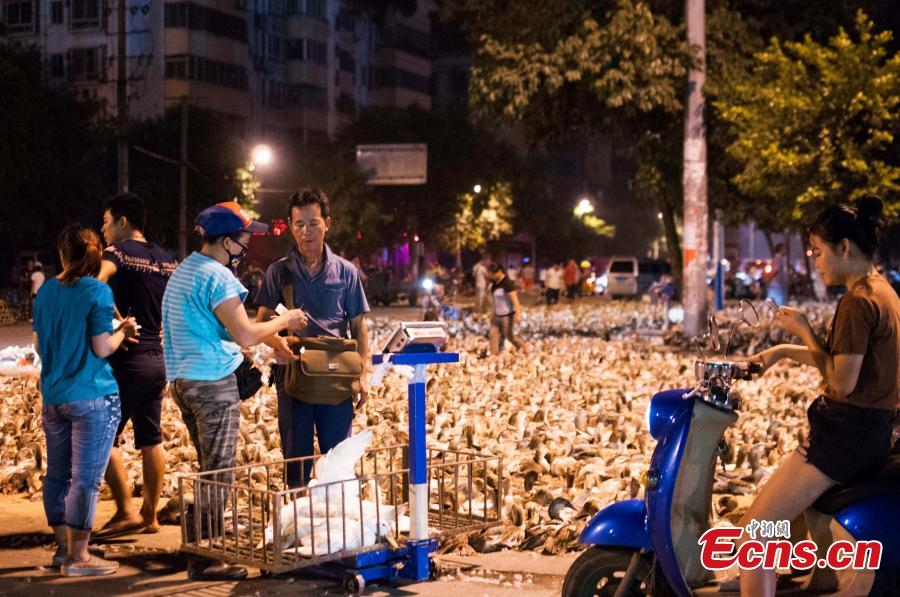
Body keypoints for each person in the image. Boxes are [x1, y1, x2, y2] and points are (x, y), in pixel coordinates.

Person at [737, 196, 898, 597]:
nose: (816, 261)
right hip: (870, 432)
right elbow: (852, 364)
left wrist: (805, 331)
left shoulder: (857, 302)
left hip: (843, 437)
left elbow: (842, 383)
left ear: (844, 247)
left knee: (753, 540)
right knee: (782, 523)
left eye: (819, 251)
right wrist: (778, 353)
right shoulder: (884, 292)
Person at [162, 201, 306, 580]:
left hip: (183, 382)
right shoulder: (219, 277)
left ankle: (200, 544)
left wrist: (275, 343)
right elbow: (243, 333)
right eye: (244, 239)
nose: (247, 246)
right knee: (219, 470)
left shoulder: (186, 271)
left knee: (208, 466)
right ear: (226, 242)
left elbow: (226, 327)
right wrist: (286, 319)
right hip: (212, 384)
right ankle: (206, 560)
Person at [33, 224, 138, 577]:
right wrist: (123, 330)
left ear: (62, 254)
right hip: (93, 395)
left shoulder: (45, 292)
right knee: (85, 479)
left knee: (57, 476)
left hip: (54, 396)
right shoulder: (97, 291)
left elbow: (37, 345)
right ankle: (80, 557)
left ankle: (64, 549)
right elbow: (102, 347)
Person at [254, 189, 371, 488]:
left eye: (314, 223)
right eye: (299, 224)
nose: (307, 232)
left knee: (339, 463)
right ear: (291, 227)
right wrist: (277, 342)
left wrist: (364, 373)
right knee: (296, 462)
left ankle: (338, 527)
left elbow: (359, 326)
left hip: (336, 378)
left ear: (327, 223)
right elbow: (262, 322)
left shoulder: (346, 272)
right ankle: (298, 524)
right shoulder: (278, 272)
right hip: (293, 377)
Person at [95, 193, 178, 538]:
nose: (102, 229)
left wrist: (116, 322)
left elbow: (94, 285)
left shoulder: (118, 253)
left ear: (123, 223)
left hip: (127, 360)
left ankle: (126, 509)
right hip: (158, 360)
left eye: (105, 222)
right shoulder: (167, 259)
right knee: (151, 437)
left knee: (101, 436)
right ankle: (150, 515)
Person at [488, 263, 524, 355]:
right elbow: (494, 300)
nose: (491, 276)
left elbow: (515, 300)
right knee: (493, 335)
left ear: (499, 272)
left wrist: (518, 314)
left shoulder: (507, 283)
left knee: (509, 336)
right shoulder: (495, 284)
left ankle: (522, 346)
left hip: (507, 316)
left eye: (493, 274)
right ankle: (494, 355)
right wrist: (492, 313)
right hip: (496, 315)